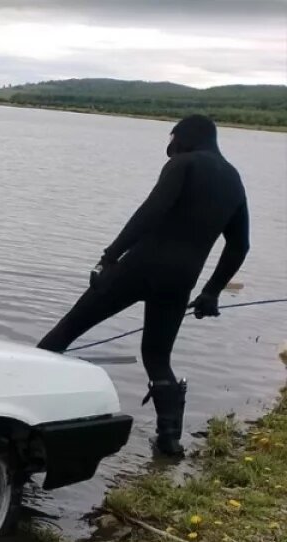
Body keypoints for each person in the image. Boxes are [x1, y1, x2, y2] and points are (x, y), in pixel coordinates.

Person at [37, 114, 249, 457]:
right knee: (156, 356)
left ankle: (22, 413)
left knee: (65, 332)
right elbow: (240, 245)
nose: (171, 147)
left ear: (184, 136)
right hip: (181, 281)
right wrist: (211, 291)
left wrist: (110, 256)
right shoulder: (234, 180)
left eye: (173, 139)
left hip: (140, 267)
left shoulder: (184, 163)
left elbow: (151, 210)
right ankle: (169, 440)